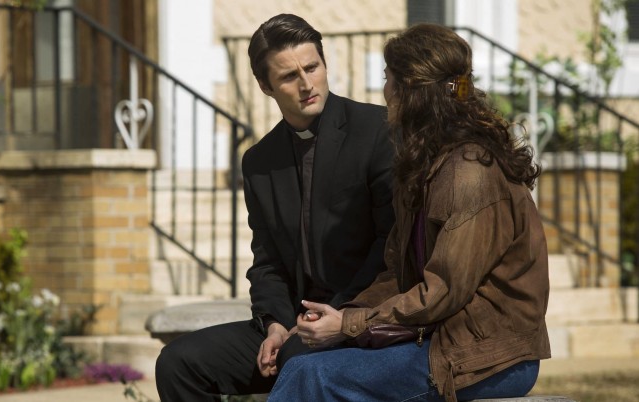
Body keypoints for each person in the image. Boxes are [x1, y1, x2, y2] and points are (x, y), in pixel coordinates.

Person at [266, 23, 551, 402]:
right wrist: (342, 314)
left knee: (310, 376)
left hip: (489, 357)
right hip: (439, 339)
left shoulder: (470, 172)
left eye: (389, 80)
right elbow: (397, 275)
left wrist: (350, 325)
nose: (384, 91)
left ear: (412, 93)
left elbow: (443, 291)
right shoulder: (427, 164)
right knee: (300, 355)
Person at [155, 14, 395, 401]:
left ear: (324, 65)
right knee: (178, 362)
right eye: (289, 76)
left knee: (297, 360)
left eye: (312, 68)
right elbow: (266, 261)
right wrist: (275, 325)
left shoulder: (377, 130)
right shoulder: (259, 161)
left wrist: (336, 313)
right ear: (266, 86)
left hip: (358, 316)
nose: (306, 84)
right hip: (293, 324)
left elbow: (390, 244)